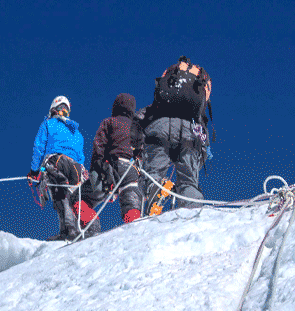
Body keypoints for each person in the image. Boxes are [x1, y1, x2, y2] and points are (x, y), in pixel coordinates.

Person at [141, 56, 212, 210]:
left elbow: (141, 116)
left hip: (159, 129)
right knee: (188, 181)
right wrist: (202, 153)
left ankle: (156, 190)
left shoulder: (167, 86)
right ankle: (192, 210)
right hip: (190, 133)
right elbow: (203, 135)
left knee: (153, 173)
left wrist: (136, 141)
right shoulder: (198, 95)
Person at [27, 96, 100, 241]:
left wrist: (34, 170)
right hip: (77, 167)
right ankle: (80, 227)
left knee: (60, 195)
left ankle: (68, 231)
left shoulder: (48, 124)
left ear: (53, 110)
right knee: (75, 196)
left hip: (56, 161)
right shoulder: (76, 132)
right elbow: (80, 156)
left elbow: (39, 147)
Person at [89, 93, 145, 223]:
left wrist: (97, 170)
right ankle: (135, 230)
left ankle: (91, 229)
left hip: (113, 167)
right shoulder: (136, 127)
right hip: (132, 169)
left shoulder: (109, 122)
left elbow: (99, 147)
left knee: (80, 200)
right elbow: (142, 151)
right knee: (131, 205)